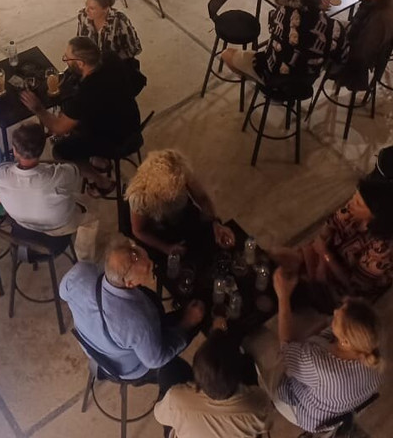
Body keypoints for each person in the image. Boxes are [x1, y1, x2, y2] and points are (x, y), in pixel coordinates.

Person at [60, 237, 204, 394]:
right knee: (188, 340)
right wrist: (188, 322)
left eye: (134, 252)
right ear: (129, 284)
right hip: (131, 369)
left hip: (96, 348)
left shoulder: (80, 273)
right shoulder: (138, 321)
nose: (149, 264)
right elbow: (155, 360)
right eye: (148, 268)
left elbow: (63, 293)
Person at [269, 270, 383, 433]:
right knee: (309, 328)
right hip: (338, 413)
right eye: (341, 309)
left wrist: (283, 297)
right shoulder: (371, 355)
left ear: (345, 341)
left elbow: (286, 347)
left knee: (265, 347)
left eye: (337, 318)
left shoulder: (319, 364)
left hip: (307, 414)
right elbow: (329, 331)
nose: (335, 312)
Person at [269, 177, 393, 309]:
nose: (351, 203)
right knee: (282, 256)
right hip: (333, 253)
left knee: (299, 290)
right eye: (354, 197)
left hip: (349, 281)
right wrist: (321, 251)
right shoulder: (352, 210)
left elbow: (353, 284)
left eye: (358, 203)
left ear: (374, 216)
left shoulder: (382, 248)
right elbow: (330, 226)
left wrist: (325, 256)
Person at [20, 37, 141, 169]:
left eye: (67, 59)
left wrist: (38, 108)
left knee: (59, 151)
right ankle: (97, 158)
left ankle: (99, 179)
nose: (66, 61)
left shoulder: (86, 93)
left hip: (116, 140)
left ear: (81, 63)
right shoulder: (111, 57)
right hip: (132, 123)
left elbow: (59, 128)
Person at [154, 331, 274, 438]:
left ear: (196, 379)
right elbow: (267, 423)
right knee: (249, 363)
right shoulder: (257, 405)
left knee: (168, 370)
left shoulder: (176, 400)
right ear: (238, 378)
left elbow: (159, 416)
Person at [222, 0, 335, 84]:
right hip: (303, 84)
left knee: (226, 54)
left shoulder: (284, 11)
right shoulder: (333, 27)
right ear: (324, 0)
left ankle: (262, 82)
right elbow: (335, 64)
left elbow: (271, 27)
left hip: (271, 74)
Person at [125, 149, 236, 257]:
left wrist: (215, 223)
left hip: (184, 215)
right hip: (159, 230)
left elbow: (202, 198)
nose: (178, 192)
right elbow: (139, 231)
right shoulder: (139, 197)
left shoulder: (177, 168)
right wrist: (166, 248)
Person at [0, 121, 82, 237]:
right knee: (93, 216)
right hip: (59, 225)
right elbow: (74, 170)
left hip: (22, 223)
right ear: (42, 149)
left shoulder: (0, 173)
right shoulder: (59, 175)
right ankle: (84, 249)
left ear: (14, 150)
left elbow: (7, 166)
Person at [330, 0, 393, 89]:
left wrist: (338, 46)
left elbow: (361, 52)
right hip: (364, 39)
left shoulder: (378, 21)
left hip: (357, 56)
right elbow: (373, 4)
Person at [76, 0, 143, 64]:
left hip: (115, 65)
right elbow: (79, 41)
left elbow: (135, 48)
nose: (86, 10)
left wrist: (111, 60)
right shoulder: (83, 16)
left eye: (92, 8)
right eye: (86, 5)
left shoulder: (120, 21)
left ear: (105, 9)